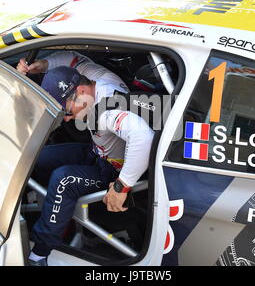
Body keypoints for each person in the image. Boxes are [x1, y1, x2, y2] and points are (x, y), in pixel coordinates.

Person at [17, 52, 155, 266]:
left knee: (63, 180)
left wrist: (121, 187)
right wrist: (42, 66)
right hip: (96, 152)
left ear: (81, 92)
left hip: (112, 171)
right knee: (37, 157)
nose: (66, 118)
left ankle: (39, 254)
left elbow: (144, 136)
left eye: (66, 110)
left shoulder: (107, 113)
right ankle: (51, 212)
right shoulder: (95, 77)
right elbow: (73, 60)